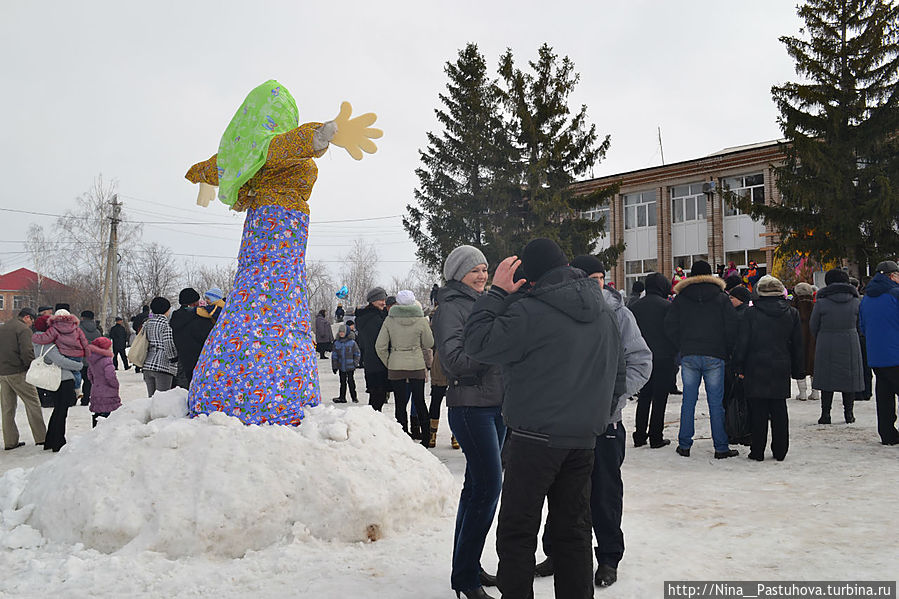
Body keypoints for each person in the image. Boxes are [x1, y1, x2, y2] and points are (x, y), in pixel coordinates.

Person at [184, 80, 380, 426]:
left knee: (264, 297)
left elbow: (222, 163)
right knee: (271, 299)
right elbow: (283, 146)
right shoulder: (265, 150)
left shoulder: (251, 153)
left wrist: (201, 176)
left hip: (273, 233)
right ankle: (273, 393)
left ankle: (229, 386)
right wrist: (320, 136)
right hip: (278, 230)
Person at [463, 239, 625, 599]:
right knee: (574, 532)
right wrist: (594, 416)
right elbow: (619, 374)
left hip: (533, 440)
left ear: (531, 279)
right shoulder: (603, 312)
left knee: (518, 532)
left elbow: (476, 343)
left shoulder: (529, 312)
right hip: (583, 441)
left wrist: (495, 293)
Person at [536, 255, 651, 588]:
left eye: (601, 276)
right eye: (589, 277)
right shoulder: (555, 314)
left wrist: (611, 399)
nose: (596, 282)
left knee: (604, 493)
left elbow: (641, 362)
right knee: (560, 493)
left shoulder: (619, 314)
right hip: (561, 424)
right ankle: (557, 552)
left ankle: (608, 557)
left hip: (604, 424)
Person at [432, 245, 505, 599]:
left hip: (496, 405)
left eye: (484, 268)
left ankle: (468, 565)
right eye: (474, 269)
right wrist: (495, 348)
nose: (482, 275)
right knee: (489, 487)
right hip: (470, 406)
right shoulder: (450, 307)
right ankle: (464, 579)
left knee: (476, 488)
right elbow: (455, 360)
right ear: (458, 273)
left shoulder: (484, 302)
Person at [665, 259, 740, 459]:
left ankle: (684, 445)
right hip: (715, 354)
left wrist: (681, 346)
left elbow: (670, 326)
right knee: (716, 404)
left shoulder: (681, 298)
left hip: (689, 353)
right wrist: (727, 349)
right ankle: (721, 447)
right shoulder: (722, 298)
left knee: (688, 402)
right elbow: (732, 326)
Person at [733, 275, 804, 461]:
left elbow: (742, 343)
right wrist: (798, 371)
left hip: (754, 366)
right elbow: (797, 345)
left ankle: (757, 451)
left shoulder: (750, 314)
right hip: (780, 365)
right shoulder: (792, 313)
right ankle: (780, 450)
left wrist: (738, 366)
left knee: (757, 410)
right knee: (779, 409)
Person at [375, 290, 434, 447]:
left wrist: (390, 362)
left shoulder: (389, 320)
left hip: (396, 364)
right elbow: (429, 343)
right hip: (416, 365)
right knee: (420, 401)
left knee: (400, 404)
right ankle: (426, 439)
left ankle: (403, 438)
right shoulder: (421, 320)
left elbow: (380, 346)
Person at [630, 272, 679, 449]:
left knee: (644, 396)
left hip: (641, 357)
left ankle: (639, 435)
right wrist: (674, 352)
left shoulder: (636, 307)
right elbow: (674, 332)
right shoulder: (667, 306)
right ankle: (656, 437)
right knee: (660, 398)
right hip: (664, 358)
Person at [810, 269, 864, 425]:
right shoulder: (856, 301)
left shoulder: (821, 302)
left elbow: (813, 326)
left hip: (826, 341)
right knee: (849, 378)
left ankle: (825, 414)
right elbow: (860, 324)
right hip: (850, 340)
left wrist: (822, 336)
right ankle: (849, 413)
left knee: (827, 378)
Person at [859, 260, 899, 445]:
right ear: (892, 276)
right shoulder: (895, 294)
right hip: (896, 354)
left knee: (884, 396)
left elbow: (863, 327)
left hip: (876, 356)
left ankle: (887, 434)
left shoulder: (866, 298)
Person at [32, 314, 83, 452]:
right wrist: (78, 366)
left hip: (53, 379)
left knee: (58, 409)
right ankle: (58, 442)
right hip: (62, 379)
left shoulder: (37, 341)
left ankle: (50, 439)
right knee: (62, 411)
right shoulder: (48, 342)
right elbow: (59, 360)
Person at [0, 307, 46, 450]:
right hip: (18, 372)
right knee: (33, 403)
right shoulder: (23, 330)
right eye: (32, 320)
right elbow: (27, 351)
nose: (31, 324)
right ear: (27, 317)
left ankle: (10, 441)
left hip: (3, 373)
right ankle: (41, 438)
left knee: (7, 408)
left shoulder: (4, 327)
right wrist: (32, 367)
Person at [170, 288, 215, 388]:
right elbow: (210, 338)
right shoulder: (199, 318)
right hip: (201, 362)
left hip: (183, 362)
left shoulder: (175, 318)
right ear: (194, 303)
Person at [355, 287, 390, 411]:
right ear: (373, 301)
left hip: (371, 362)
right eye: (381, 300)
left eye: (384, 299)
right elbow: (379, 342)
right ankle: (373, 424)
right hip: (377, 362)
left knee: (376, 396)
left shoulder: (371, 316)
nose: (384, 302)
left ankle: (374, 422)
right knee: (377, 397)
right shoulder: (372, 318)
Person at [142, 297, 178, 397]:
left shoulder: (147, 323)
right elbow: (168, 344)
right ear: (165, 309)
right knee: (162, 399)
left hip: (148, 364)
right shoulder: (166, 324)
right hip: (163, 366)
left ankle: (151, 413)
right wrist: (174, 358)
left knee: (151, 398)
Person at [791, 282, 818, 401]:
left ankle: (802, 393)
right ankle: (815, 391)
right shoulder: (815, 305)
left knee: (799, 363)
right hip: (813, 338)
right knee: (813, 364)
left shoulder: (794, 306)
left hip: (798, 338)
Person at [86, 336, 121, 427]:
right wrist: (115, 385)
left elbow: (90, 374)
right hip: (108, 391)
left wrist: (95, 382)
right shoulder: (107, 360)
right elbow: (110, 376)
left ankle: (95, 430)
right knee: (108, 413)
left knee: (97, 412)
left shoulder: (92, 359)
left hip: (96, 390)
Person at [331, 324, 360, 403]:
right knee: (342, 382)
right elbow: (334, 356)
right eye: (340, 332)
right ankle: (342, 397)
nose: (341, 333)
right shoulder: (337, 343)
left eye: (343, 332)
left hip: (350, 366)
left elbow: (357, 354)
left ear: (346, 332)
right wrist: (334, 366)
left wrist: (355, 363)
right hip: (341, 366)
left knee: (351, 382)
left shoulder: (352, 343)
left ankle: (354, 397)